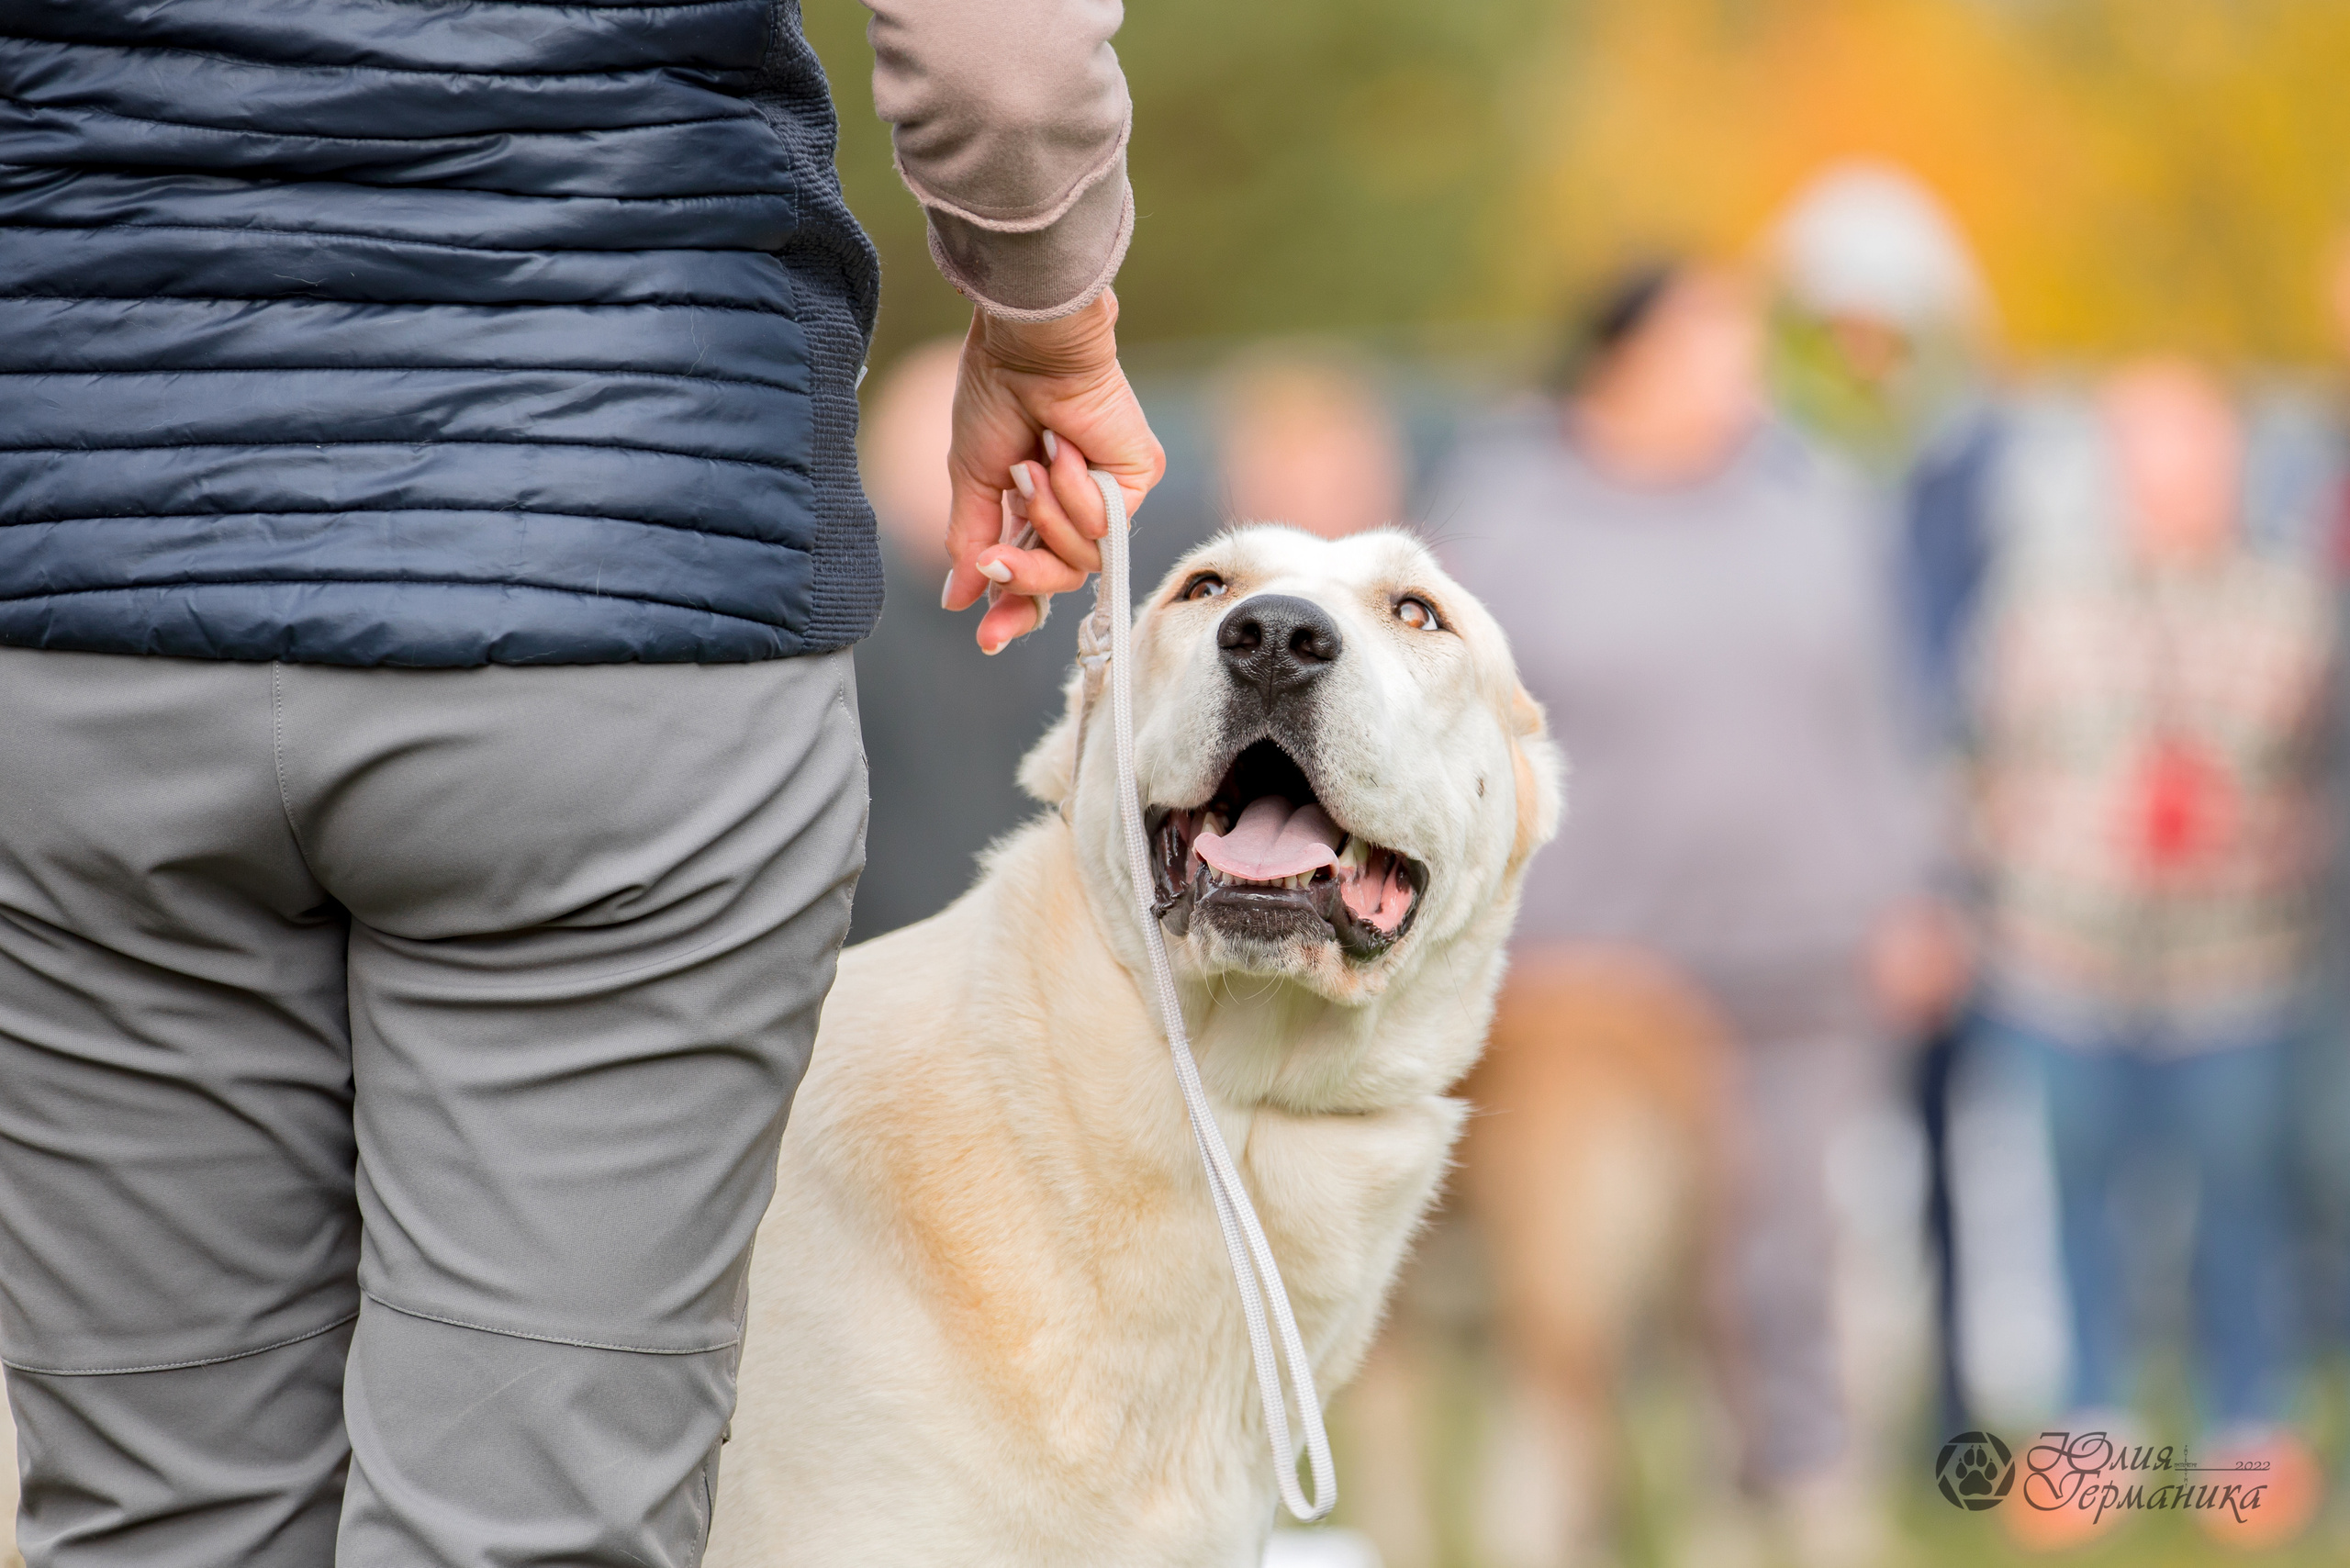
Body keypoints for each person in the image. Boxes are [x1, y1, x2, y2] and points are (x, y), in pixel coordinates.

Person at [0, 3, 1162, 1564]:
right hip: (621, 592)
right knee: (529, 1519)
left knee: (164, 1512)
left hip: (79, 589)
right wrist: (1045, 309)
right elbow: (1000, 69)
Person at [1438, 262, 1945, 1565]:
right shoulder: (1509, 511)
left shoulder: (1810, 495)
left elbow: (1881, 714)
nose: (1743, 372)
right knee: (1587, 1290)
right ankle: (1574, 1525)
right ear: (1625, 356)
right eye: (1711, 343)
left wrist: (1914, 892)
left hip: (1804, 955)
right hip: (1591, 979)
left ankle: (1798, 1514)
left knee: (1786, 1267)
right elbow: (1444, 735)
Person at [1975, 361, 2333, 1551]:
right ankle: (2096, 1425)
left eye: (2198, 454)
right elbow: (1986, 760)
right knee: (2083, 1204)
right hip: (2066, 963)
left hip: (2238, 967)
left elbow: (2314, 780)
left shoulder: (2291, 603)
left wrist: (2253, 829)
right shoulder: (2040, 594)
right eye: (2152, 452)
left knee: (2240, 1206)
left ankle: (2251, 1427)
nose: (2175, 480)